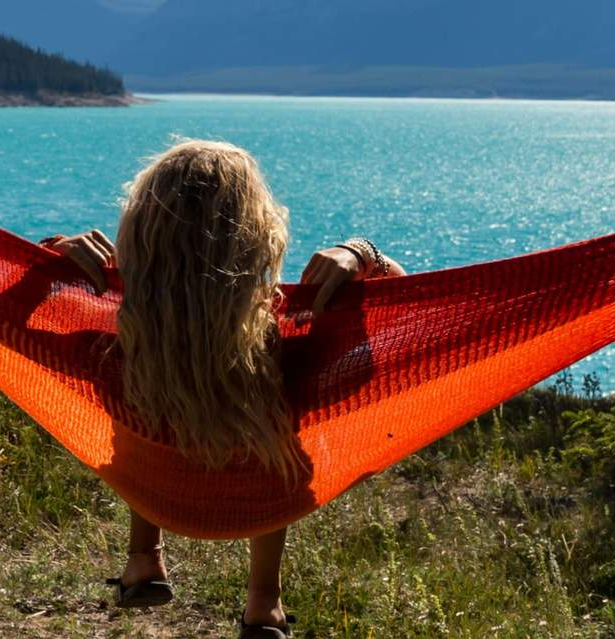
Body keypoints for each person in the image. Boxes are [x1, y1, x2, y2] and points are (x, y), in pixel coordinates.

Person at [39, 140, 403, 638]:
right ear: (254, 236)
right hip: (265, 499)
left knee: (147, 385)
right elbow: (403, 321)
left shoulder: (118, 336)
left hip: (154, 490)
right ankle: (264, 604)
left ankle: (144, 559)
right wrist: (363, 254)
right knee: (277, 429)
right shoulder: (285, 335)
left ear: (142, 232)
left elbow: (2, 320)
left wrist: (53, 254)